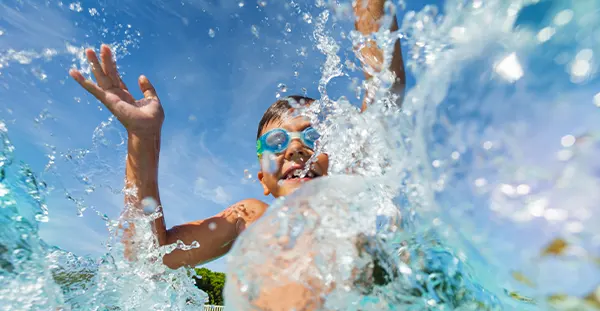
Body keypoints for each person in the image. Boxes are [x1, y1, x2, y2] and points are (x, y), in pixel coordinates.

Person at [69, 0, 406, 272]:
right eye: (276, 143)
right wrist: (142, 139)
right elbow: (148, 257)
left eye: (314, 137)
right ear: (263, 180)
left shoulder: (360, 210)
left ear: (338, 155)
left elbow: (384, 90)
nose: (297, 148)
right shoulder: (252, 217)